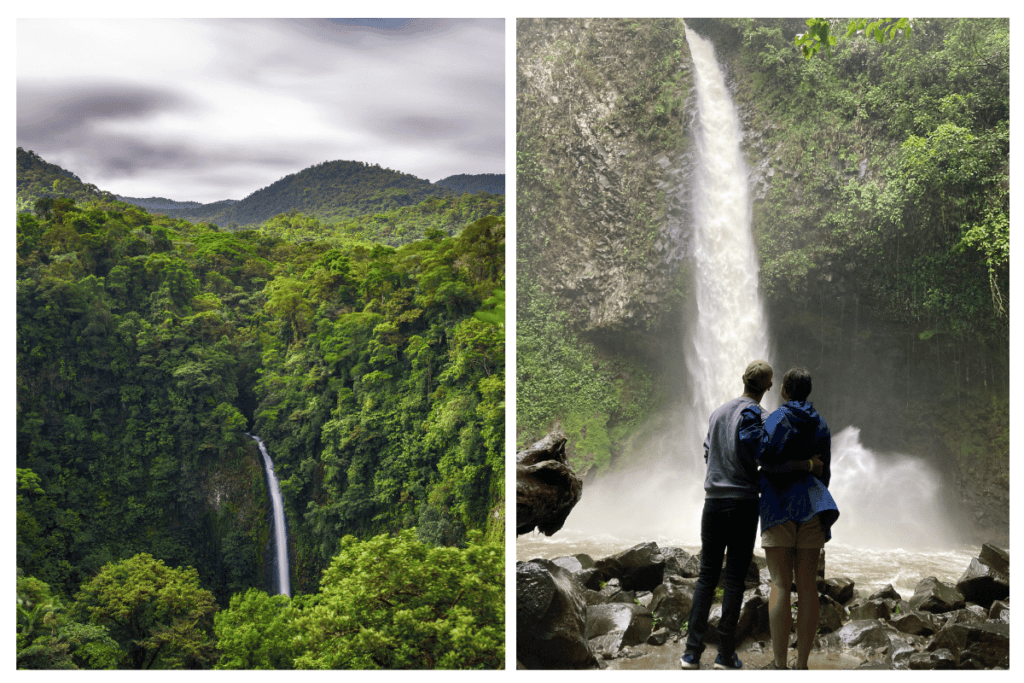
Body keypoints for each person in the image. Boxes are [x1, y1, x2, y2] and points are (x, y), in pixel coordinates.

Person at [679, 360, 773, 670]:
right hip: (743, 502)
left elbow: (707, 453)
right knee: (734, 580)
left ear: (743, 380)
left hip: (713, 503)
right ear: (768, 387)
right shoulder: (760, 416)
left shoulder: (717, 412)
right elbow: (766, 455)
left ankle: (691, 653)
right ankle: (724, 655)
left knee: (707, 576)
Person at [757, 367, 839, 670]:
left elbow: (763, 459)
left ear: (784, 390)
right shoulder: (820, 424)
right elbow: (825, 472)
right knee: (807, 586)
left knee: (779, 583)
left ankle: (780, 664)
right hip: (812, 508)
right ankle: (802, 664)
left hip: (778, 507)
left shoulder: (776, 418)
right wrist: (807, 467)